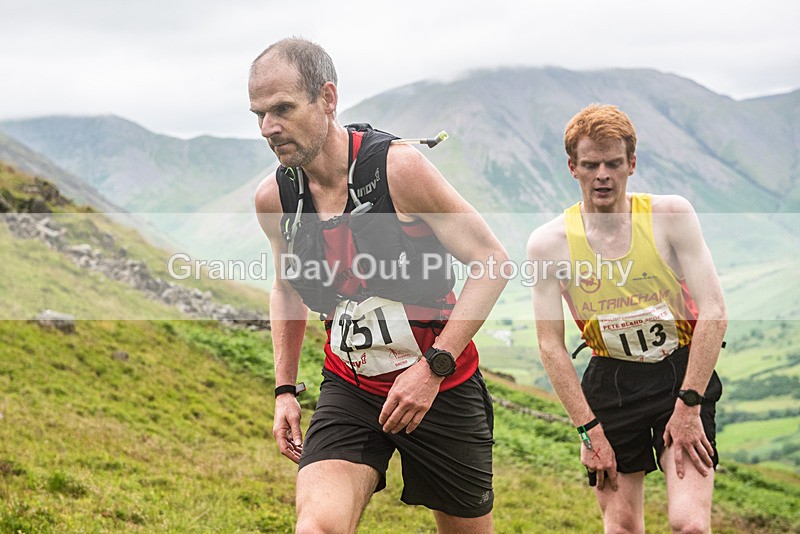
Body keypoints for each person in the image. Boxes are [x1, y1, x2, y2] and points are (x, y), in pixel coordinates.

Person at [250, 37, 508, 534]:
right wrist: (284, 390)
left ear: (327, 98)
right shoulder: (274, 197)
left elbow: (492, 262)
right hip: (350, 387)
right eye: (259, 113)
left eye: (282, 108)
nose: (269, 128)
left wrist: (431, 370)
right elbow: (286, 288)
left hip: (442, 387)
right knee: (316, 527)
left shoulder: (399, 169)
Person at [527, 104, 726, 533]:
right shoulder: (548, 244)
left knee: (689, 525)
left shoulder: (670, 216)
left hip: (681, 371)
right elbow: (550, 345)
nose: (603, 174)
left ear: (632, 164)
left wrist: (689, 406)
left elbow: (714, 311)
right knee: (622, 526)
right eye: (591, 164)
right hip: (610, 382)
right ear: (572, 168)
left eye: (614, 163)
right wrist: (588, 431)